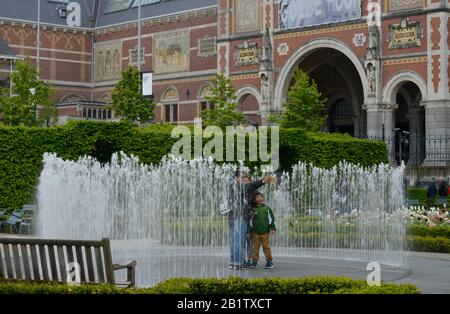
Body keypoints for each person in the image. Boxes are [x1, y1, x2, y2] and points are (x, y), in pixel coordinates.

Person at [227, 172, 276, 270]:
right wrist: (262, 181)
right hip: (240, 217)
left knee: (233, 240)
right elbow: (250, 186)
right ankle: (238, 263)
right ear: (236, 178)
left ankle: (233, 262)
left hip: (232, 217)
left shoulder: (232, 187)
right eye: (241, 177)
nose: (244, 180)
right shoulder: (239, 187)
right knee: (238, 241)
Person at [248, 192, 276, 269]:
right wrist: (249, 231)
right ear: (254, 200)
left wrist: (273, 228)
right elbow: (250, 221)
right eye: (257, 197)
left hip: (265, 232)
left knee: (266, 247)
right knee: (255, 248)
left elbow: (271, 219)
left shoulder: (267, 208)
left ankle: (269, 262)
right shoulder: (253, 209)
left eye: (261, 197)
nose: (260, 198)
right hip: (255, 233)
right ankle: (254, 262)